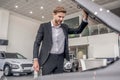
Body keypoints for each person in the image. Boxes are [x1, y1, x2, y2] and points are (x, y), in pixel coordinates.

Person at [33, 6, 88, 75]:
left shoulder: (65, 27)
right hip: (48, 59)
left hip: (60, 59)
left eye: (63, 17)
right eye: (59, 16)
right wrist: (35, 60)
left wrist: (85, 18)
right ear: (53, 14)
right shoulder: (44, 27)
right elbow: (37, 43)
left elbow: (78, 30)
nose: (61, 19)